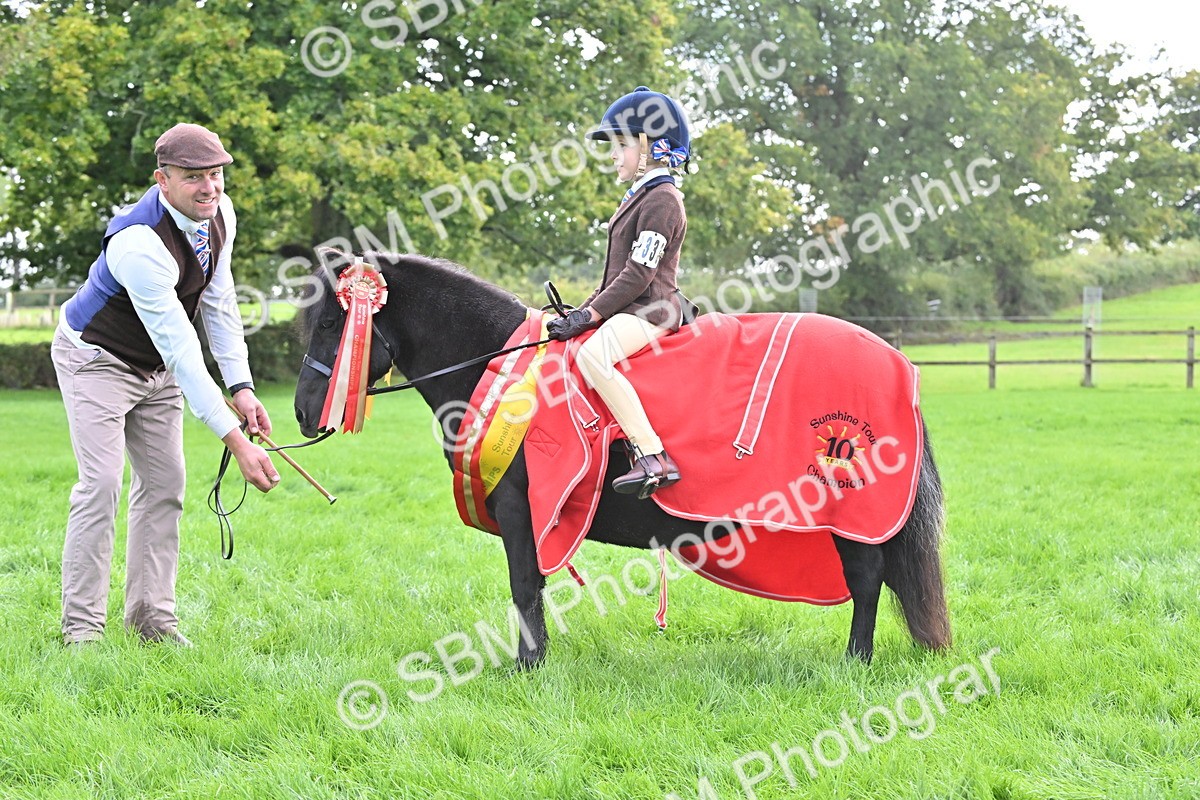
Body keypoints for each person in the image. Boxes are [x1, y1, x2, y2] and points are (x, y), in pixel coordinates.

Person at [51, 123, 280, 647]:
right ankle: (82, 633)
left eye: (216, 174)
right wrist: (237, 442)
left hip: (156, 370)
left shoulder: (220, 214)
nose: (209, 187)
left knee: (166, 485)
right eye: (193, 176)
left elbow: (219, 302)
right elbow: (183, 350)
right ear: (163, 180)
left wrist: (241, 386)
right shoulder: (138, 243)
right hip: (96, 360)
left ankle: (152, 623)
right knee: (101, 485)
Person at [548, 86, 695, 498]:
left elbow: (638, 275)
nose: (613, 155)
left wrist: (591, 317)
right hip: (630, 306)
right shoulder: (641, 196)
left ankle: (652, 455)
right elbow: (612, 276)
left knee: (594, 355)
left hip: (651, 309)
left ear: (649, 148)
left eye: (622, 146)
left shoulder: (663, 200)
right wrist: (580, 312)